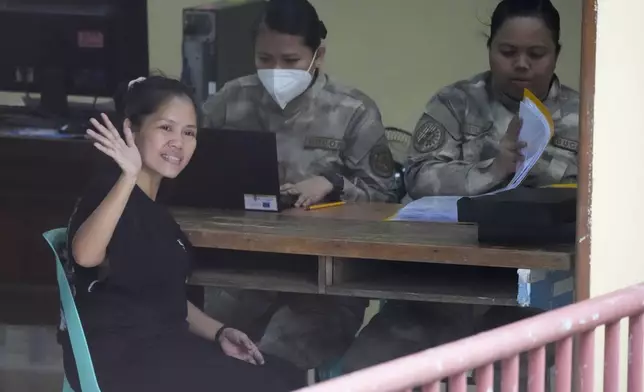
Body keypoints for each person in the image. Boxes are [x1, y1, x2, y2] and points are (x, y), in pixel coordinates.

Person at [341, 0, 579, 386]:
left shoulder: (586, 114)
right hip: (444, 281)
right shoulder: (455, 104)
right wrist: (492, 170)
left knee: (518, 373)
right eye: (507, 52)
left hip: (536, 293)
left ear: (556, 54)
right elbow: (418, 175)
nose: (521, 64)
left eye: (536, 54)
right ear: (489, 49)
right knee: (366, 368)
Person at [60, 75, 304, 392]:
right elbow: (86, 254)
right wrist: (128, 176)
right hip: (120, 362)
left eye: (189, 133)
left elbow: (163, 297)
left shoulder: (155, 210)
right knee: (271, 385)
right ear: (131, 131)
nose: (179, 141)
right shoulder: (110, 194)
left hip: (163, 348)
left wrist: (219, 332)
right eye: (166, 128)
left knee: (286, 374)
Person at [200, 0, 397, 371]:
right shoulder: (231, 100)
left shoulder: (352, 111)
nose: (276, 71)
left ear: (317, 56)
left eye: (290, 61)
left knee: (273, 364)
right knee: (202, 354)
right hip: (243, 271)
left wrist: (334, 183)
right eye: (265, 59)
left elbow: (385, 194)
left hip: (323, 281)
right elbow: (192, 163)